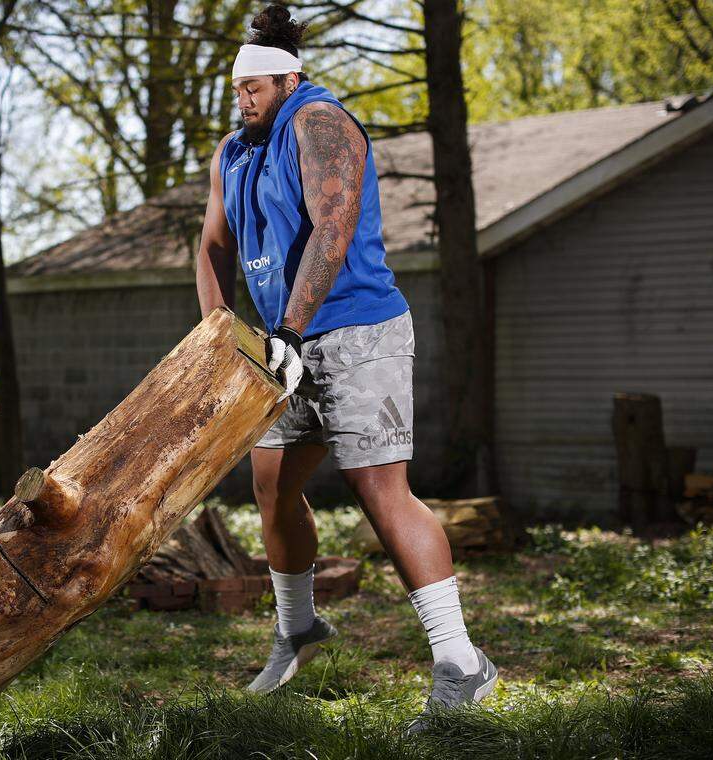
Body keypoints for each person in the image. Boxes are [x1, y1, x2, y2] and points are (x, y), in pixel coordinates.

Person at [193, 4, 497, 729]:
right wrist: (218, 338)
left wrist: (292, 327)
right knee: (271, 487)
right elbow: (212, 247)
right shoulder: (232, 153)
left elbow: (333, 224)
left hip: (359, 332)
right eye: (236, 89)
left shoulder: (320, 122)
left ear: (288, 77)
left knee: (380, 493)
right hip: (283, 344)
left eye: (255, 87)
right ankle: (299, 629)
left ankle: (462, 664)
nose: (243, 98)